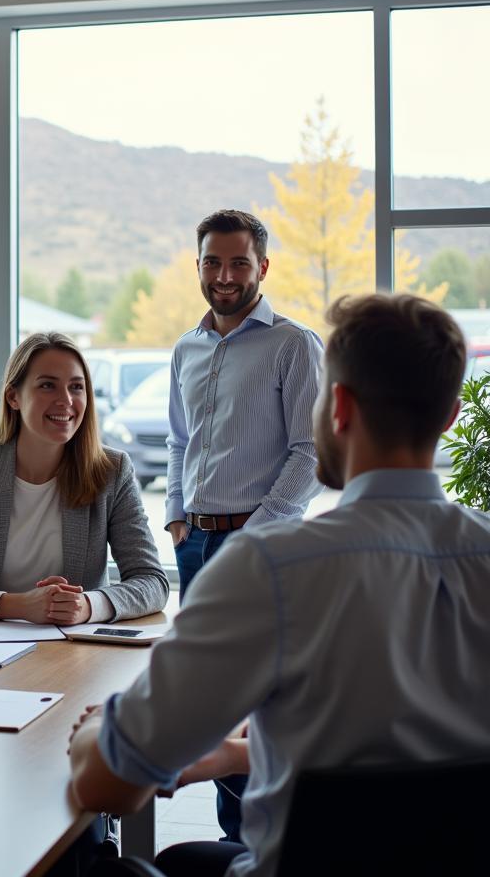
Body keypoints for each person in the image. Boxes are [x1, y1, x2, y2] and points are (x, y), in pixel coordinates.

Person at [68, 293, 490, 877]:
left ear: (338, 406)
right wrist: (237, 753)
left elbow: (109, 787)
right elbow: (407, 761)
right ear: (448, 417)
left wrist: (99, 724)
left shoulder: (270, 568)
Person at [164, 209, 323, 840]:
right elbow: (180, 443)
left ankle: (261, 846)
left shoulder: (293, 344)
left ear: (263, 266)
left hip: (255, 546)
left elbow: (310, 452)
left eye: (238, 263)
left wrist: (252, 538)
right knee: (211, 697)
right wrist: (177, 517)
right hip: (194, 543)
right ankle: (235, 846)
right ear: (198, 265)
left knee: (260, 698)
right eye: (212, 262)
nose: (224, 276)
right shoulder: (186, 346)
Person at [0, 331, 168, 624]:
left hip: (75, 653)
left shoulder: (111, 472)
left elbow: (152, 581)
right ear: (14, 397)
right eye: (48, 386)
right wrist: (17, 606)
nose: (65, 400)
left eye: (76, 387)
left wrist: (87, 606)